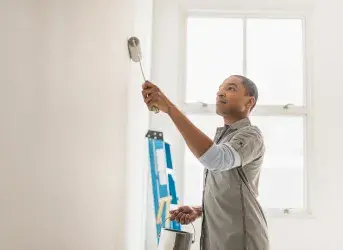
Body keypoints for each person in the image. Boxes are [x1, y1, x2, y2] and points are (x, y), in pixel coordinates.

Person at [141, 75, 269, 250]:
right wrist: (201, 210)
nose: (220, 93)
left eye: (230, 88)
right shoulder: (225, 138)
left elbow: (215, 159)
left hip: (242, 241)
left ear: (249, 102)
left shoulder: (251, 136)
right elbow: (229, 188)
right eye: (220, 88)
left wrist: (170, 108)